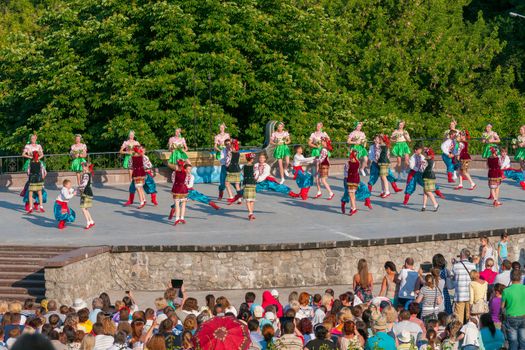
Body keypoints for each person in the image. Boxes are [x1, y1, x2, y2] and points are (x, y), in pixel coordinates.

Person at [342, 150, 372, 216]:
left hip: (350, 180)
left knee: (351, 194)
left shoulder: (348, 163)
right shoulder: (357, 162)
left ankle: (354, 208)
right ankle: (352, 207)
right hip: (356, 180)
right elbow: (356, 172)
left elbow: (346, 173)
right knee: (352, 195)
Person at [501, 269, 525, 350]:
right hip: (523, 317)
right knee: (523, 341)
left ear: (511, 278)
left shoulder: (506, 290)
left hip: (511, 317)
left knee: (513, 342)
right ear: (520, 278)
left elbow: (502, 306)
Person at [451, 248, 476, 324]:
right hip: (470, 294)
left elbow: (452, 278)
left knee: (458, 318)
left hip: (460, 295)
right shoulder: (473, 266)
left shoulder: (455, 266)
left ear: (461, 255)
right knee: (469, 317)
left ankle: (458, 333)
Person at [169, 160, 189, 225]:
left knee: (177, 205)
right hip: (184, 189)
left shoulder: (174, 173)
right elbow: (187, 182)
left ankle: (177, 219)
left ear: (177, 165)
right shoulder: (186, 172)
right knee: (183, 205)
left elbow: (173, 180)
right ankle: (182, 218)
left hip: (176, 189)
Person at [421, 147, 439, 212]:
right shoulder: (432, 161)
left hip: (427, 176)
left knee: (428, 191)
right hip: (431, 176)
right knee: (425, 191)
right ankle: (424, 206)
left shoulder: (424, 160)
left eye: (425, 153)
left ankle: (435, 204)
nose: (424, 154)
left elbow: (422, 168)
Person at [78, 162, 95, 230]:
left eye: (82, 167)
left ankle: (88, 222)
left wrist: (79, 190)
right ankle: (91, 221)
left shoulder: (85, 175)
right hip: (89, 192)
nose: (82, 168)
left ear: (85, 167)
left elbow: (83, 184)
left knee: (83, 208)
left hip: (85, 192)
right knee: (85, 208)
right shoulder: (88, 173)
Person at [241, 153, 257, 220]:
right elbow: (255, 175)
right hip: (252, 183)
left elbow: (242, 174)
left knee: (248, 199)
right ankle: (251, 213)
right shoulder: (254, 166)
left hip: (246, 183)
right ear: (252, 159)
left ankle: (250, 213)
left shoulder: (243, 166)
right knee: (252, 199)